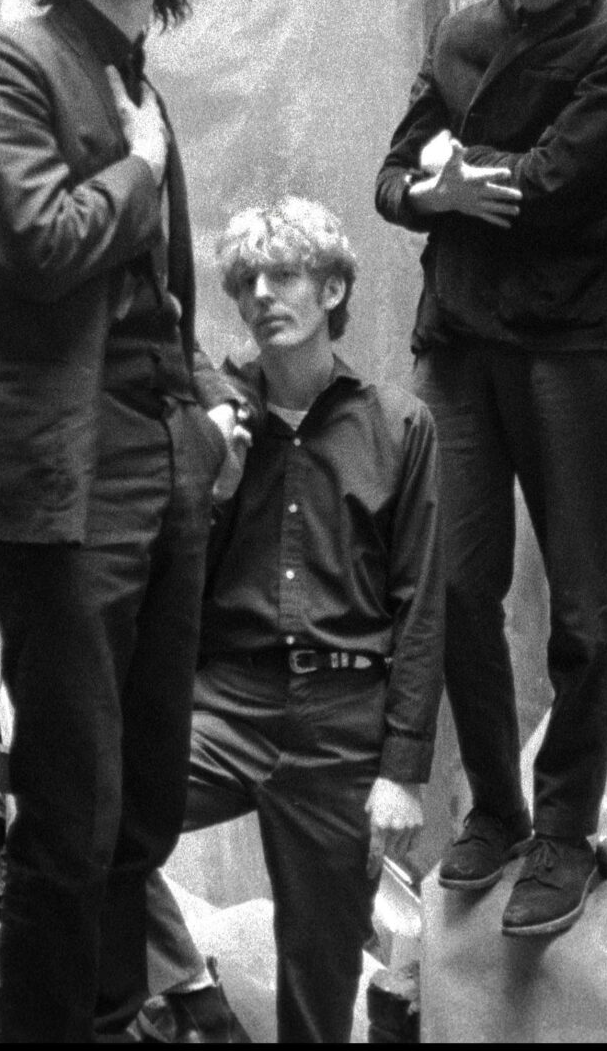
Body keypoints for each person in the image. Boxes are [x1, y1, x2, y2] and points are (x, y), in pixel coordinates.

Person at [0, 0, 249, 1042]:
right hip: (63, 478)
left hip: (159, 463)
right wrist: (136, 167)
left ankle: (114, 1017)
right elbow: (39, 243)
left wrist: (215, 402)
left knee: (145, 799)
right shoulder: (7, 67)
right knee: (73, 802)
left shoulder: (136, 86)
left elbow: (155, 303)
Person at [374, 0, 607, 938]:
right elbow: (393, 179)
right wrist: (439, 189)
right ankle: (492, 807)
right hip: (456, 341)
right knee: (455, 590)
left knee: (582, 604)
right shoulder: (462, 33)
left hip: (566, 346)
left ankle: (567, 830)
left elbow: (561, 182)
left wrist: (460, 181)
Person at [135, 198, 444, 1046]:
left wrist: (403, 771)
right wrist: (214, 481)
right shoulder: (216, 416)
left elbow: (422, 603)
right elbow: (166, 573)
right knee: (84, 815)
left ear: (334, 288)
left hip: (340, 726)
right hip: (226, 701)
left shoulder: (396, 424)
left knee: (319, 987)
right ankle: (196, 999)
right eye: (246, 281)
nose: (263, 294)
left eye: (287, 275)